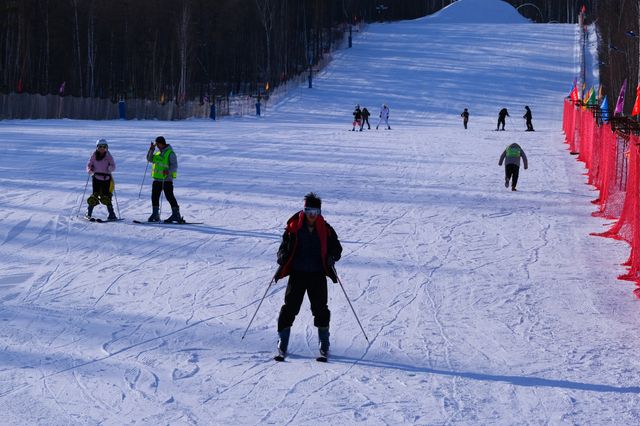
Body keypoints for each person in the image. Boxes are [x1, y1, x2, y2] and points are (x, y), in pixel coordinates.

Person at [274, 192, 343, 360]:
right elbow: (283, 248)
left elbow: (337, 248)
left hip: (317, 274)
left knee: (320, 309)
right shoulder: (293, 228)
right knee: (290, 307)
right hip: (298, 273)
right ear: (304, 211)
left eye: (315, 212)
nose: (312, 216)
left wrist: (332, 257)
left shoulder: (326, 229)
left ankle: (324, 343)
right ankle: (282, 342)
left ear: (319, 213)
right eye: (309, 212)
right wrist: (282, 256)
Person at [146, 136, 183, 223]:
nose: (157, 146)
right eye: (156, 144)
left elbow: (174, 166)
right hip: (157, 180)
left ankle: (176, 214)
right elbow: (149, 159)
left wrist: (168, 171)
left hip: (167, 180)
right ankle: (155, 214)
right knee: (154, 197)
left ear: (163, 143)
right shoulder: (158, 153)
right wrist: (151, 149)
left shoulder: (170, 153)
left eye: (158, 144)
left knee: (169, 196)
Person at [86, 139, 117, 220]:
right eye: (100, 147)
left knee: (106, 197)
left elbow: (113, 165)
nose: (102, 148)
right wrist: (90, 169)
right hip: (96, 178)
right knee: (94, 195)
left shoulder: (108, 156)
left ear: (106, 147)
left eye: (104, 147)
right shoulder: (94, 155)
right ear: (97, 147)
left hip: (106, 178)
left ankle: (112, 214)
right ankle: (89, 213)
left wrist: (110, 168)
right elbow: (89, 164)